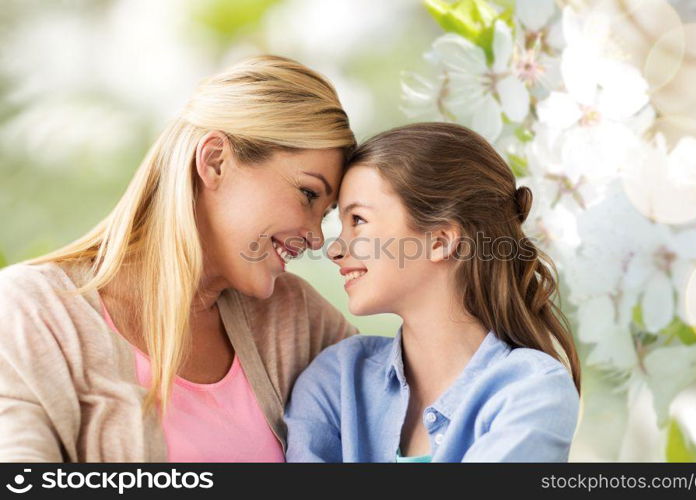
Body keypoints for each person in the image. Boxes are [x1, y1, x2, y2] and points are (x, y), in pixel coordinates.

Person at [0, 55, 358, 462]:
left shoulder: (297, 318)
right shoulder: (33, 311)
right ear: (214, 161)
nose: (315, 238)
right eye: (309, 194)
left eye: (325, 214)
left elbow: (418, 403)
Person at [285, 122, 582, 462]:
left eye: (358, 220)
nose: (334, 249)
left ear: (440, 240)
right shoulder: (336, 380)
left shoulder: (531, 391)